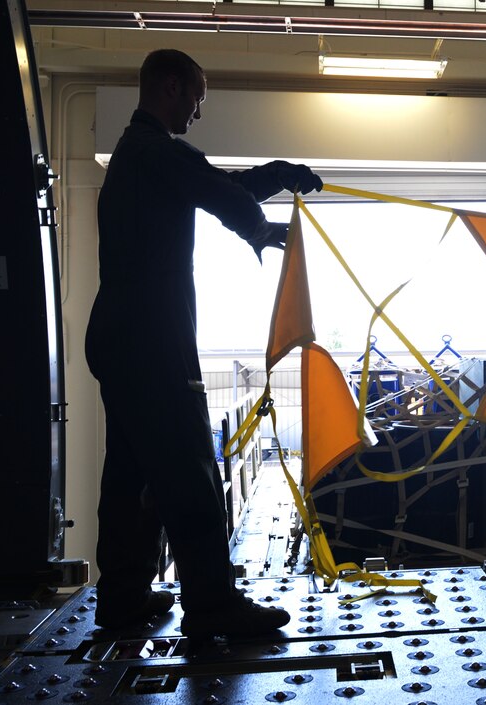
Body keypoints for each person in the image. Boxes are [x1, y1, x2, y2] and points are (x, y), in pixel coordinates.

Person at [85, 49, 322, 637]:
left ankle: (121, 599)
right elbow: (221, 195)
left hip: (120, 340)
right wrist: (261, 230)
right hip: (153, 343)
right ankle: (213, 605)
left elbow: (215, 184)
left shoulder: (138, 157)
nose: (198, 111)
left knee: (132, 477)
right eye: (197, 98)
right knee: (191, 472)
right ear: (171, 86)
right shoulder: (155, 152)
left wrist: (278, 173)